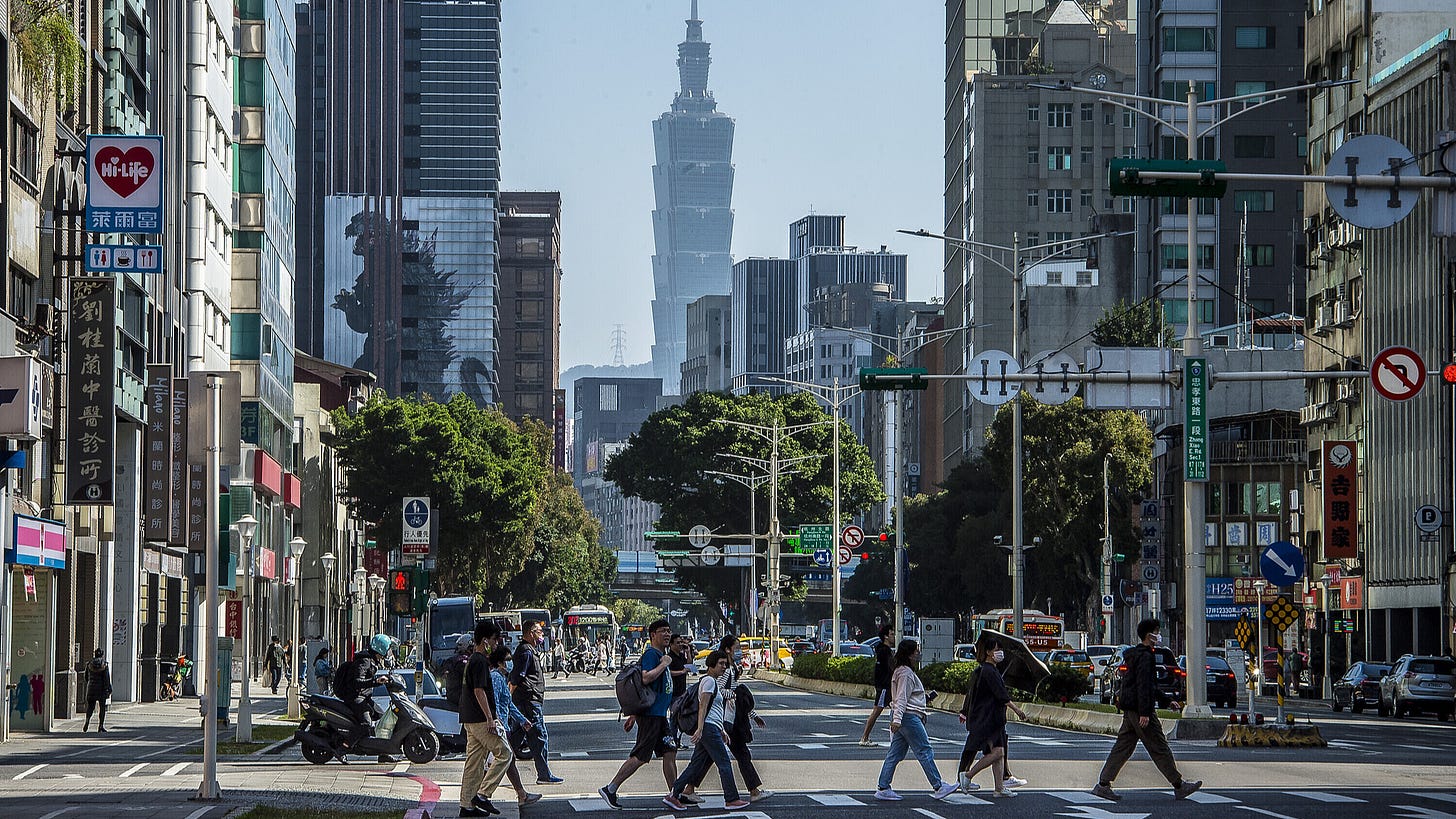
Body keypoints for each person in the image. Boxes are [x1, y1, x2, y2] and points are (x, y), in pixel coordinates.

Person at [1091, 618, 1203, 802]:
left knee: (1123, 747)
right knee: (1159, 746)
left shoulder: (1136, 655)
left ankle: (1103, 784)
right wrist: (1144, 712)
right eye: (1156, 631)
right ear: (1148, 635)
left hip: (1131, 710)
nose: (1158, 635)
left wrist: (1167, 701)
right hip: (1141, 710)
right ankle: (1179, 785)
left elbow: (1148, 685)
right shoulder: (1145, 656)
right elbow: (1144, 685)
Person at [598, 620, 678, 810]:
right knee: (641, 756)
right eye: (663, 631)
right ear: (653, 635)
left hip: (659, 715)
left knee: (670, 751)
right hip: (651, 715)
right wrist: (664, 664)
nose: (667, 634)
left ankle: (674, 794)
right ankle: (610, 788)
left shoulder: (660, 654)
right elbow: (645, 678)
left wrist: (633, 715)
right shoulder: (652, 654)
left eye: (669, 631)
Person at [682, 635, 771, 804]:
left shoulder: (730, 667)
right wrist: (734, 695)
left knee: (706, 756)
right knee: (740, 754)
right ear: (729, 649)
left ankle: (688, 789)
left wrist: (752, 714)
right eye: (737, 647)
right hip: (725, 720)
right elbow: (718, 690)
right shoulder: (725, 669)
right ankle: (752, 791)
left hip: (722, 718)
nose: (740, 651)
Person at [874, 639, 960, 802]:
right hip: (908, 717)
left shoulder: (901, 671)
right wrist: (897, 719)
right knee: (924, 750)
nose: (918, 654)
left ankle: (883, 787)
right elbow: (901, 698)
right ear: (909, 654)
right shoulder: (905, 673)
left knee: (895, 753)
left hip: (904, 715)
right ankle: (938, 786)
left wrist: (923, 699)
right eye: (916, 651)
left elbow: (906, 696)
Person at [664, 651, 748, 810]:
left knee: (695, 765)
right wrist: (700, 728)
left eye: (725, 664)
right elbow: (703, 706)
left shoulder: (713, 682)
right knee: (724, 763)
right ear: (711, 665)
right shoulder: (709, 681)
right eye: (721, 664)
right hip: (708, 728)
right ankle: (731, 798)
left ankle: (673, 795)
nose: (724, 667)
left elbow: (714, 709)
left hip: (712, 727)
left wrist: (722, 730)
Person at [956, 640, 1027, 798]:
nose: (999, 652)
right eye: (996, 649)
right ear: (988, 652)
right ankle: (967, 775)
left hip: (993, 719)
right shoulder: (988, 671)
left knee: (998, 753)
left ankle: (999, 788)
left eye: (1000, 649)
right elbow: (1001, 695)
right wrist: (1017, 709)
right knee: (998, 752)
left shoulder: (990, 670)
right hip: (988, 719)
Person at [460, 621, 513, 816]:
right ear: (485, 640)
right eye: (494, 640)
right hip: (481, 719)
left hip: (469, 718)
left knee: (474, 763)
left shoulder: (472, 660)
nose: (497, 644)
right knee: (505, 754)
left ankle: (466, 805)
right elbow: (479, 690)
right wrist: (490, 718)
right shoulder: (481, 661)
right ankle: (483, 794)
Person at [489, 646, 543, 808]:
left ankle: (521, 794)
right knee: (501, 760)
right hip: (499, 727)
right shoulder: (496, 678)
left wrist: (522, 720)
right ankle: (482, 794)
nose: (510, 663)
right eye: (507, 660)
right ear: (499, 662)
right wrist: (498, 723)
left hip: (503, 725)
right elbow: (497, 704)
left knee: (506, 760)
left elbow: (509, 704)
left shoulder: (501, 678)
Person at [510, 620, 563, 784]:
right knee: (539, 736)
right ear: (530, 633)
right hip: (529, 701)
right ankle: (544, 775)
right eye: (539, 631)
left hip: (528, 700)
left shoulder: (530, 650)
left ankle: (492, 763)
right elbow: (517, 677)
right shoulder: (526, 651)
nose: (541, 635)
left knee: (515, 737)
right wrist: (508, 698)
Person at [332, 633, 393, 754]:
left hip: (365, 697)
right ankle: (344, 747)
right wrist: (375, 681)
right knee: (366, 724)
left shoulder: (371, 660)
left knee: (382, 718)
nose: (389, 652)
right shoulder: (364, 661)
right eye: (388, 649)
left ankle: (383, 753)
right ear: (381, 649)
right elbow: (357, 681)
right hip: (356, 697)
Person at [859, 625, 894, 747]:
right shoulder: (884, 651)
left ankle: (900, 738)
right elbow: (887, 668)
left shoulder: (883, 650)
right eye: (891, 634)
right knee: (877, 711)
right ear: (885, 636)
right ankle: (864, 737)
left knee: (899, 710)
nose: (893, 636)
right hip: (884, 686)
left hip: (887, 685)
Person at [439, 634, 474, 706]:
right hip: (461, 698)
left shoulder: (451, 660)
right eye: (471, 648)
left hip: (453, 696)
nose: (473, 650)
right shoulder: (462, 662)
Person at [83, 649, 112, 733]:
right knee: (102, 708)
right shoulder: (104, 664)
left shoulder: (89, 664)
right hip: (101, 689)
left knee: (90, 707)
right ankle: (100, 726)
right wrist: (109, 688)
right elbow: (107, 678)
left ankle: (87, 720)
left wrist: (90, 682)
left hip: (91, 687)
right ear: (102, 655)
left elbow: (86, 677)